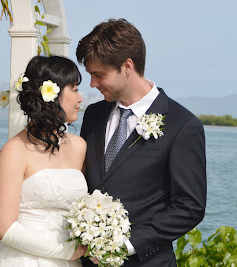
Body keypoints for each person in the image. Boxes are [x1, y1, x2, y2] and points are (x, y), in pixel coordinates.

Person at [77, 19, 207, 266]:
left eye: (98, 75)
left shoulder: (182, 125)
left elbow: (189, 207)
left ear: (127, 66)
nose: (92, 84)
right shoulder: (93, 115)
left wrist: (127, 245)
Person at [0, 56, 87, 266]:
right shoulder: (14, 151)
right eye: (74, 89)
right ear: (51, 96)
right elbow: (5, 227)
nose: (80, 98)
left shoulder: (79, 147)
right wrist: (63, 252)